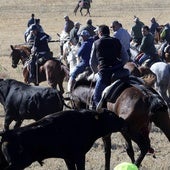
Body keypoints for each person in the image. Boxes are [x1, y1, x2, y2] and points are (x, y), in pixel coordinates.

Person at [89, 25, 129, 108]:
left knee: (96, 98)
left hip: (105, 74)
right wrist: (120, 65)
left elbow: (92, 62)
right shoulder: (117, 41)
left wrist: (96, 71)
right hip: (119, 71)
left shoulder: (96, 43)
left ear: (100, 33)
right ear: (108, 32)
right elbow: (126, 57)